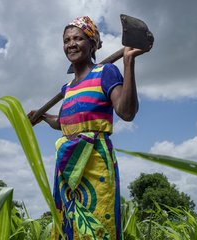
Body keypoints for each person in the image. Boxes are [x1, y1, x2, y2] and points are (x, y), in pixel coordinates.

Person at [28, 16, 149, 240]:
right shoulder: (67, 88)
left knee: (98, 220)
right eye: (66, 40)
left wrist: (128, 63)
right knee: (67, 222)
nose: (71, 44)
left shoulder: (105, 73)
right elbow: (66, 122)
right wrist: (44, 116)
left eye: (78, 38)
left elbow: (126, 112)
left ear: (92, 43)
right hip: (67, 164)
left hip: (95, 161)